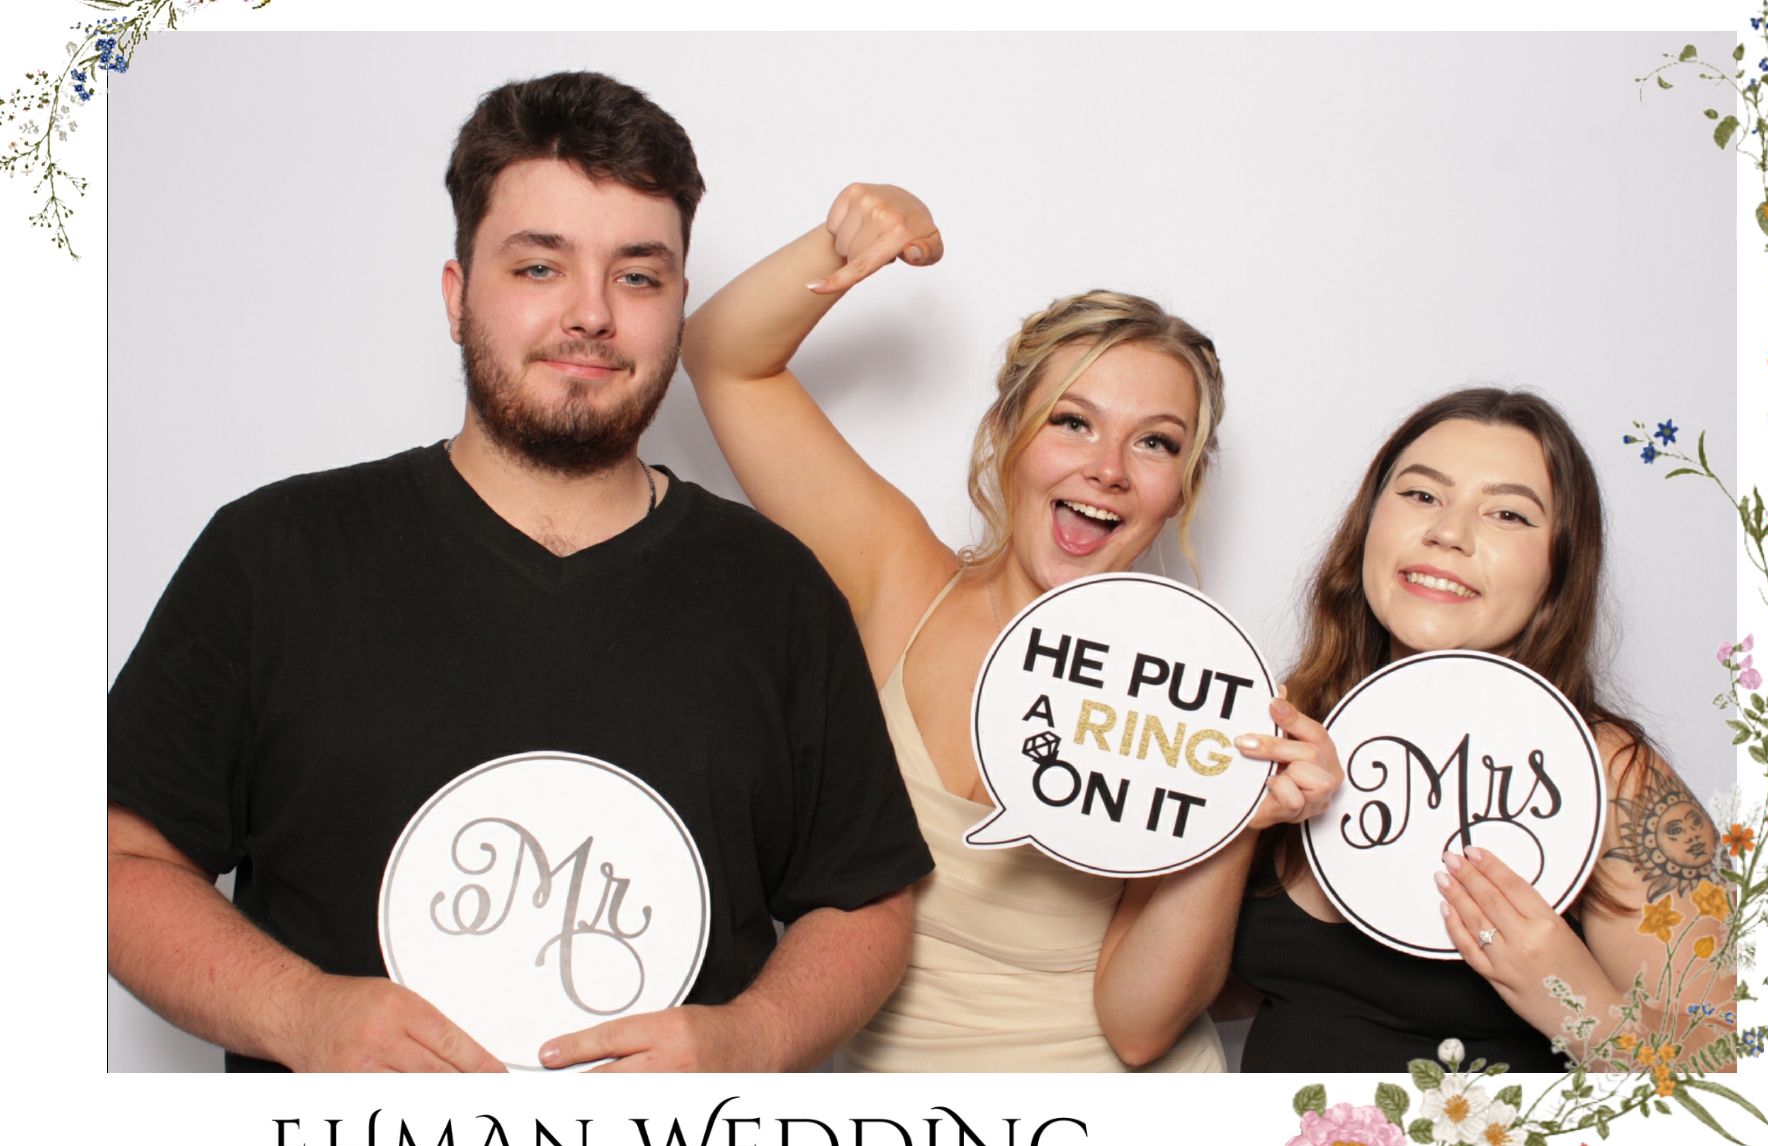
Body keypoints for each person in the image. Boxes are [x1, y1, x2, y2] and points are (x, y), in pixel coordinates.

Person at [106, 72, 934, 1073]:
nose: (591, 314)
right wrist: (300, 1014)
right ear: (458, 297)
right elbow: (115, 860)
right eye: (539, 267)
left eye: (639, 277)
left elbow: (863, 899)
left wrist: (751, 1039)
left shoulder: (778, 589)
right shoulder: (272, 555)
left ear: (678, 306)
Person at [680, 184, 1343, 1072]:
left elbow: (1140, 1027)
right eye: (1073, 422)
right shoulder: (898, 579)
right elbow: (722, 358)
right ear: (1004, 433)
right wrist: (849, 238)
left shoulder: (1197, 693)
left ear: (1182, 487)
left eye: (1156, 442)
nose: (1108, 469)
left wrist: (1237, 819)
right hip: (909, 1137)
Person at [1228, 388, 1734, 1072]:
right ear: (1368, 525)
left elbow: (1736, 1074)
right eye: (1421, 495)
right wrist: (1230, 838)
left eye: (1508, 514)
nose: (1449, 532)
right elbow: (1198, 1004)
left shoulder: (1612, 776)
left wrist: (1576, 1001)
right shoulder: (1291, 733)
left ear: (1559, 568)